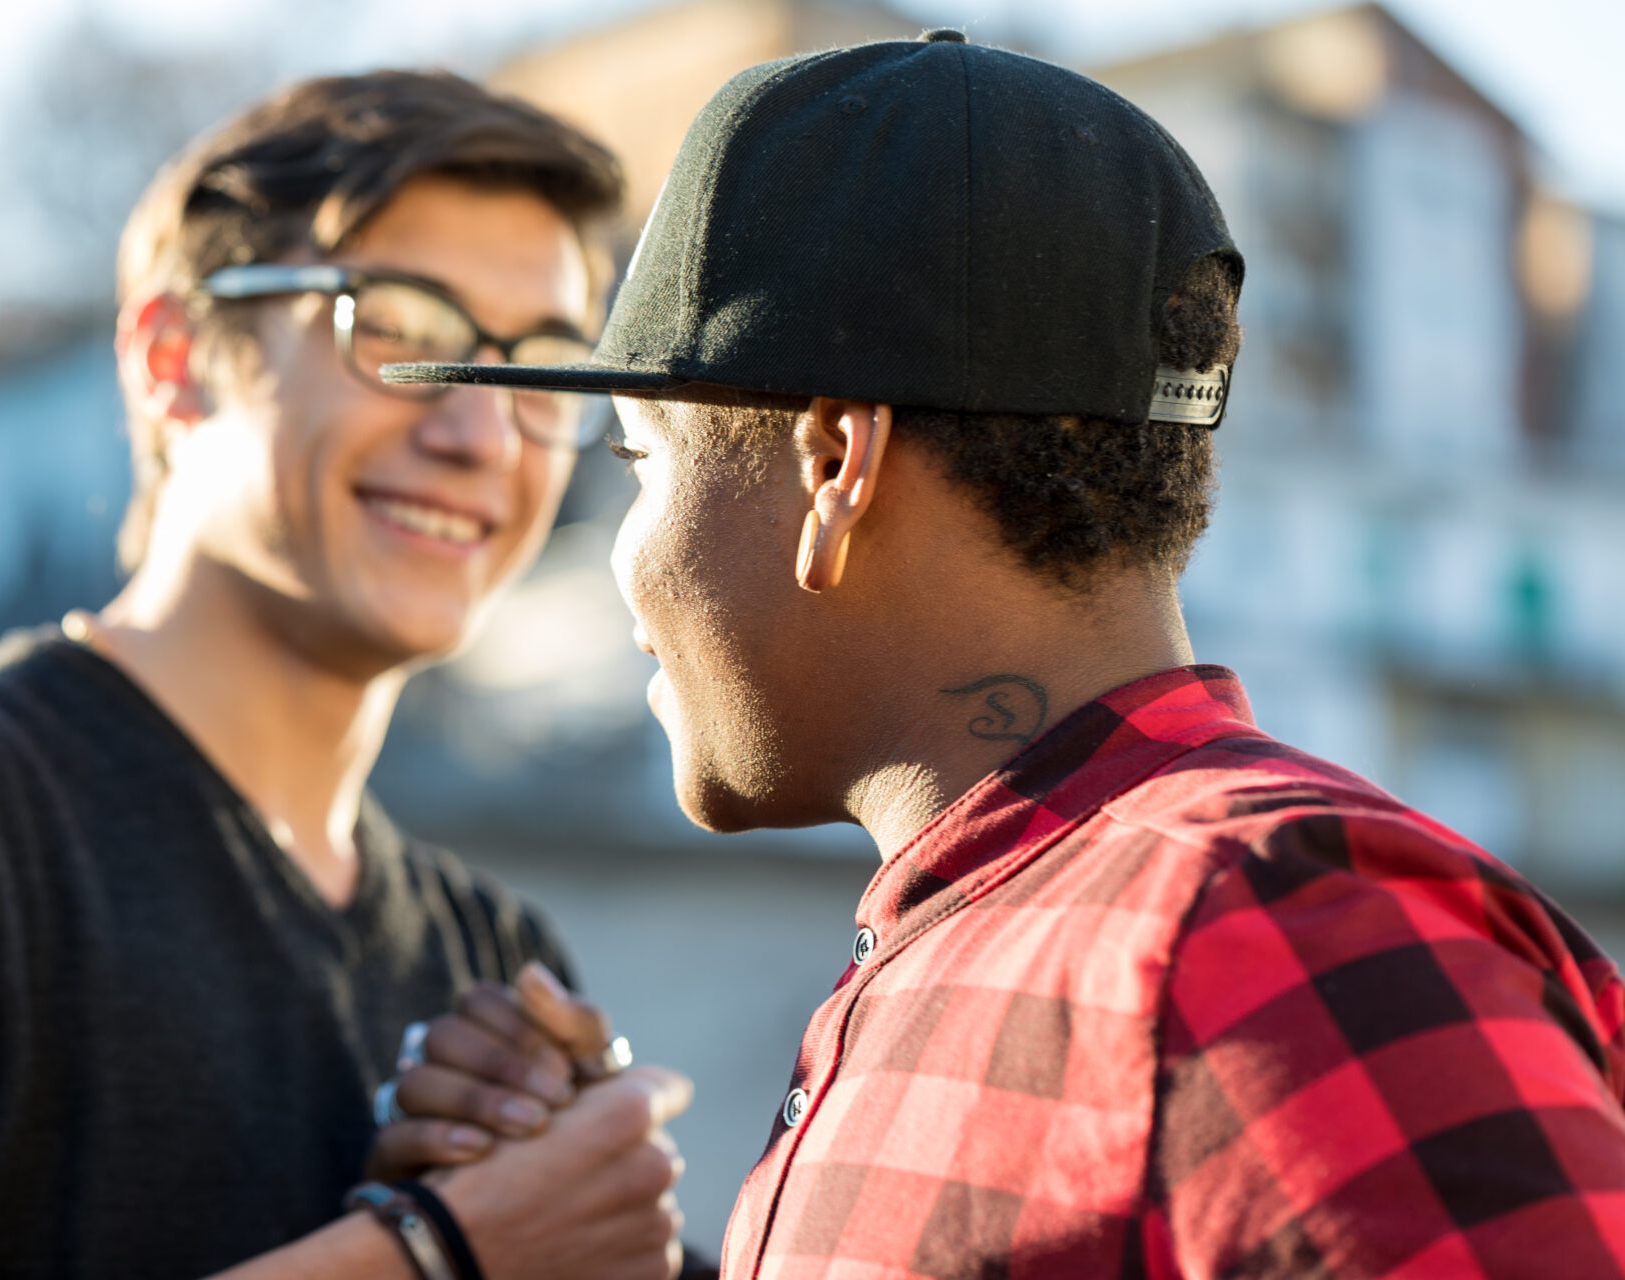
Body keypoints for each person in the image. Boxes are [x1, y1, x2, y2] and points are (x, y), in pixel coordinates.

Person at [384, 31, 1625, 1279]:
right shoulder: (1017, 922)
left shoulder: (1269, 931)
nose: (624, 562)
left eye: (638, 465)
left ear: (833, 467)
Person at [0, 71, 692, 1280]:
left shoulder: (488, 959)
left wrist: (589, 1203)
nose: (481, 431)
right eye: (395, 326)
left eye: (538, 361)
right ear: (175, 359)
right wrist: (435, 1251)